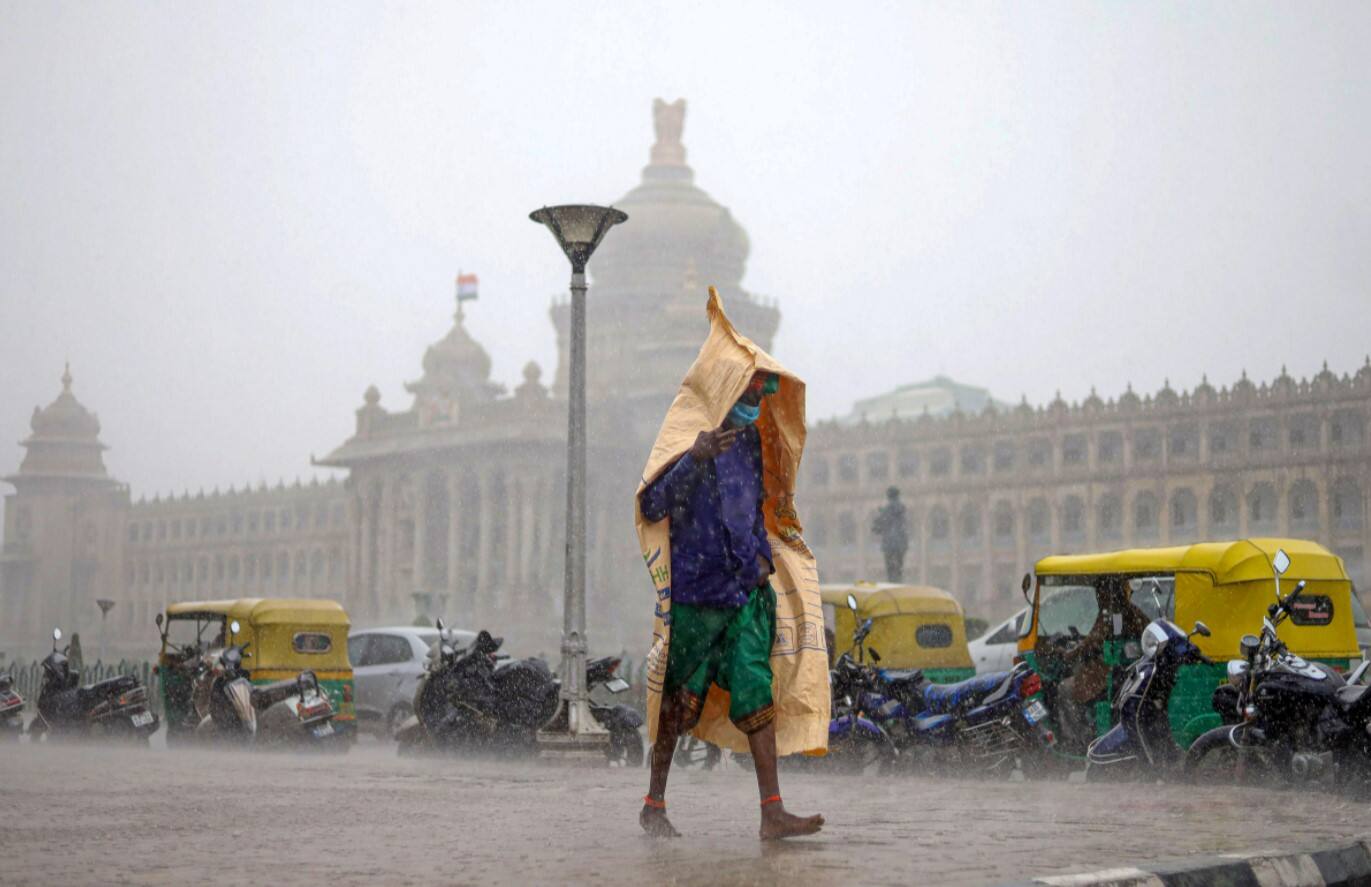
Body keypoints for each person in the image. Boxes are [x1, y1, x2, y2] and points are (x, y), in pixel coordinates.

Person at [637, 370, 824, 841]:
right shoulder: (683, 444)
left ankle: (772, 813)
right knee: (678, 705)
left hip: (744, 594)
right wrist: (694, 459)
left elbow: (755, 509)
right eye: (750, 390)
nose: (757, 399)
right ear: (727, 391)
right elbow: (653, 506)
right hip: (697, 598)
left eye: (763, 391)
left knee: (756, 692)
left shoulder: (749, 445)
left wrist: (761, 557)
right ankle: (653, 803)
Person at [1057, 579, 1150, 747]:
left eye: (1100, 591)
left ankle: (1081, 738)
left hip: (1106, 673)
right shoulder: (1131, 611)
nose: (1099, 596)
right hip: (1124, 669)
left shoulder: (1111, 613)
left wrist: (1069, 653)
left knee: (1064, 688)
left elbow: (1093, 641)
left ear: (1107, 592)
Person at [871, 487, 908, 583]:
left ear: (888, 496)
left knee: (890, 570)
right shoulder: (902, 509)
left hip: (889, 544)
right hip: (901, 544)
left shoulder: (886, 510)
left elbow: (876, 528)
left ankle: (893, 584)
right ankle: (898, 583)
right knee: (899, 568)